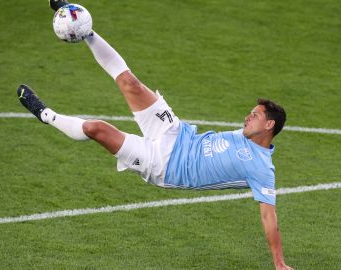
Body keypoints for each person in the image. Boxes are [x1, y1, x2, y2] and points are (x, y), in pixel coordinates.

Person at [17, 1, 293, 269]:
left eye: (255, 115)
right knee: (130, 82)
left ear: (269, 126)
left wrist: (279, 264)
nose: (248, 116)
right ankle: (82, 26)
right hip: (175, 132)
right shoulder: (244, 134)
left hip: (164, 165)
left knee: (95, 128)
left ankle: (45, 115)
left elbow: (270, 218)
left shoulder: (262, 169)